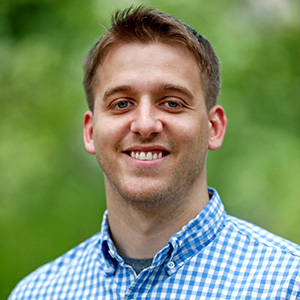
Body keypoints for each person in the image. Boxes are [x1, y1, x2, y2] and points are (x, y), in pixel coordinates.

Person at [9, 6, 300, 300]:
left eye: (172, 103)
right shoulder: (37, 293)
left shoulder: (288, 283)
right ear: (90, 132)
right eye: (122, 104)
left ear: (213, 127)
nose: (145, 124)